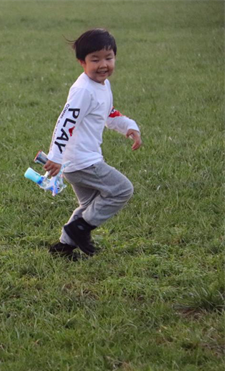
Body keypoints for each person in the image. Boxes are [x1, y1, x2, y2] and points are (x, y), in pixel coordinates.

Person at [44, 28, 142, 259]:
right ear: (82, 62)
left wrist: (129, 126)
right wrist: (55, 156)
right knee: (122, 190)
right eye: (94, 60)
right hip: (81, 161)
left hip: (77, 160)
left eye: (108, 58)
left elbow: (107, 113)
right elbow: (64, 122)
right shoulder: (83, 90)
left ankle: (63, 248)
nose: (103, 65)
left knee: (88, 205)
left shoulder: (102, 85)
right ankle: (79, 229)